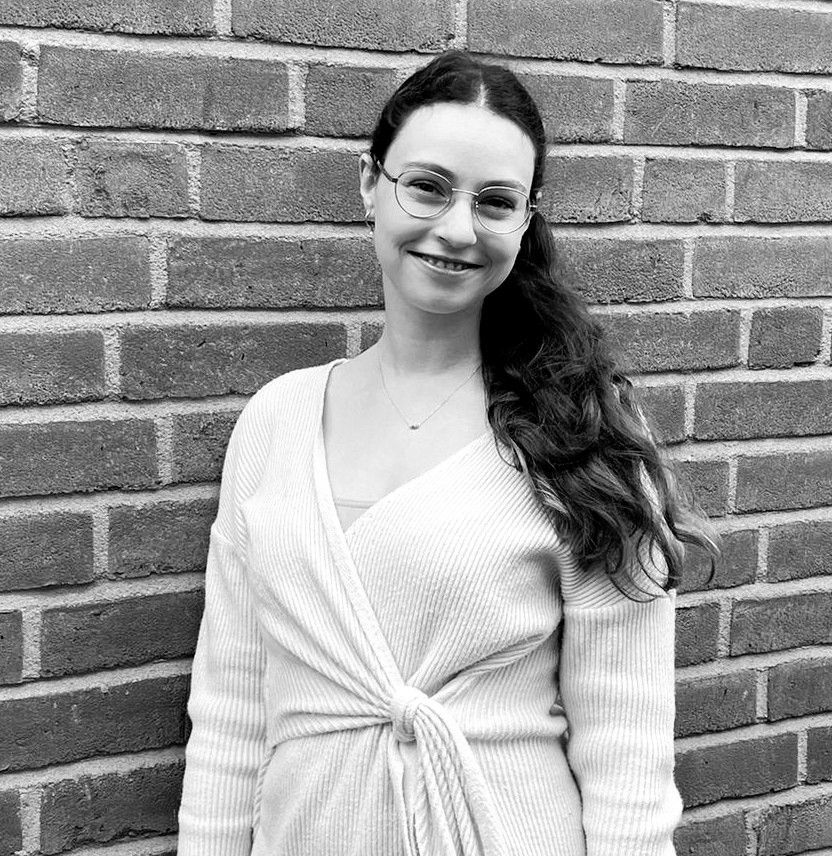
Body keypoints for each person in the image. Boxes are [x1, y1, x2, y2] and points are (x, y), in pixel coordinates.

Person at [176, 50, 718, 856]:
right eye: (428, 186)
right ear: (371, 182)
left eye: (495, 201)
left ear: (526, 220)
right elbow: (229, 716)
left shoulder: (581, 433)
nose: (458, 228)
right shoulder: (275, 422)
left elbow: (627, 765)